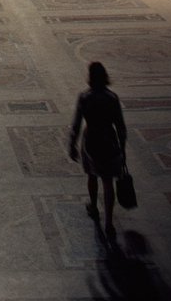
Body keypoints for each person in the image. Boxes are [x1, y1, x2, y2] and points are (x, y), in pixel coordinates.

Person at [69, 61, 127, 240]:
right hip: (109, 140)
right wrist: (122, 148)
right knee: (108, 181)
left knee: (92, 175)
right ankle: (109, 220)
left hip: (91, 140)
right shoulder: (112, 98)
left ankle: (93, 206)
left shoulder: (85, 97)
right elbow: (120, 126)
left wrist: (72, 144)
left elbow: (77, 123)